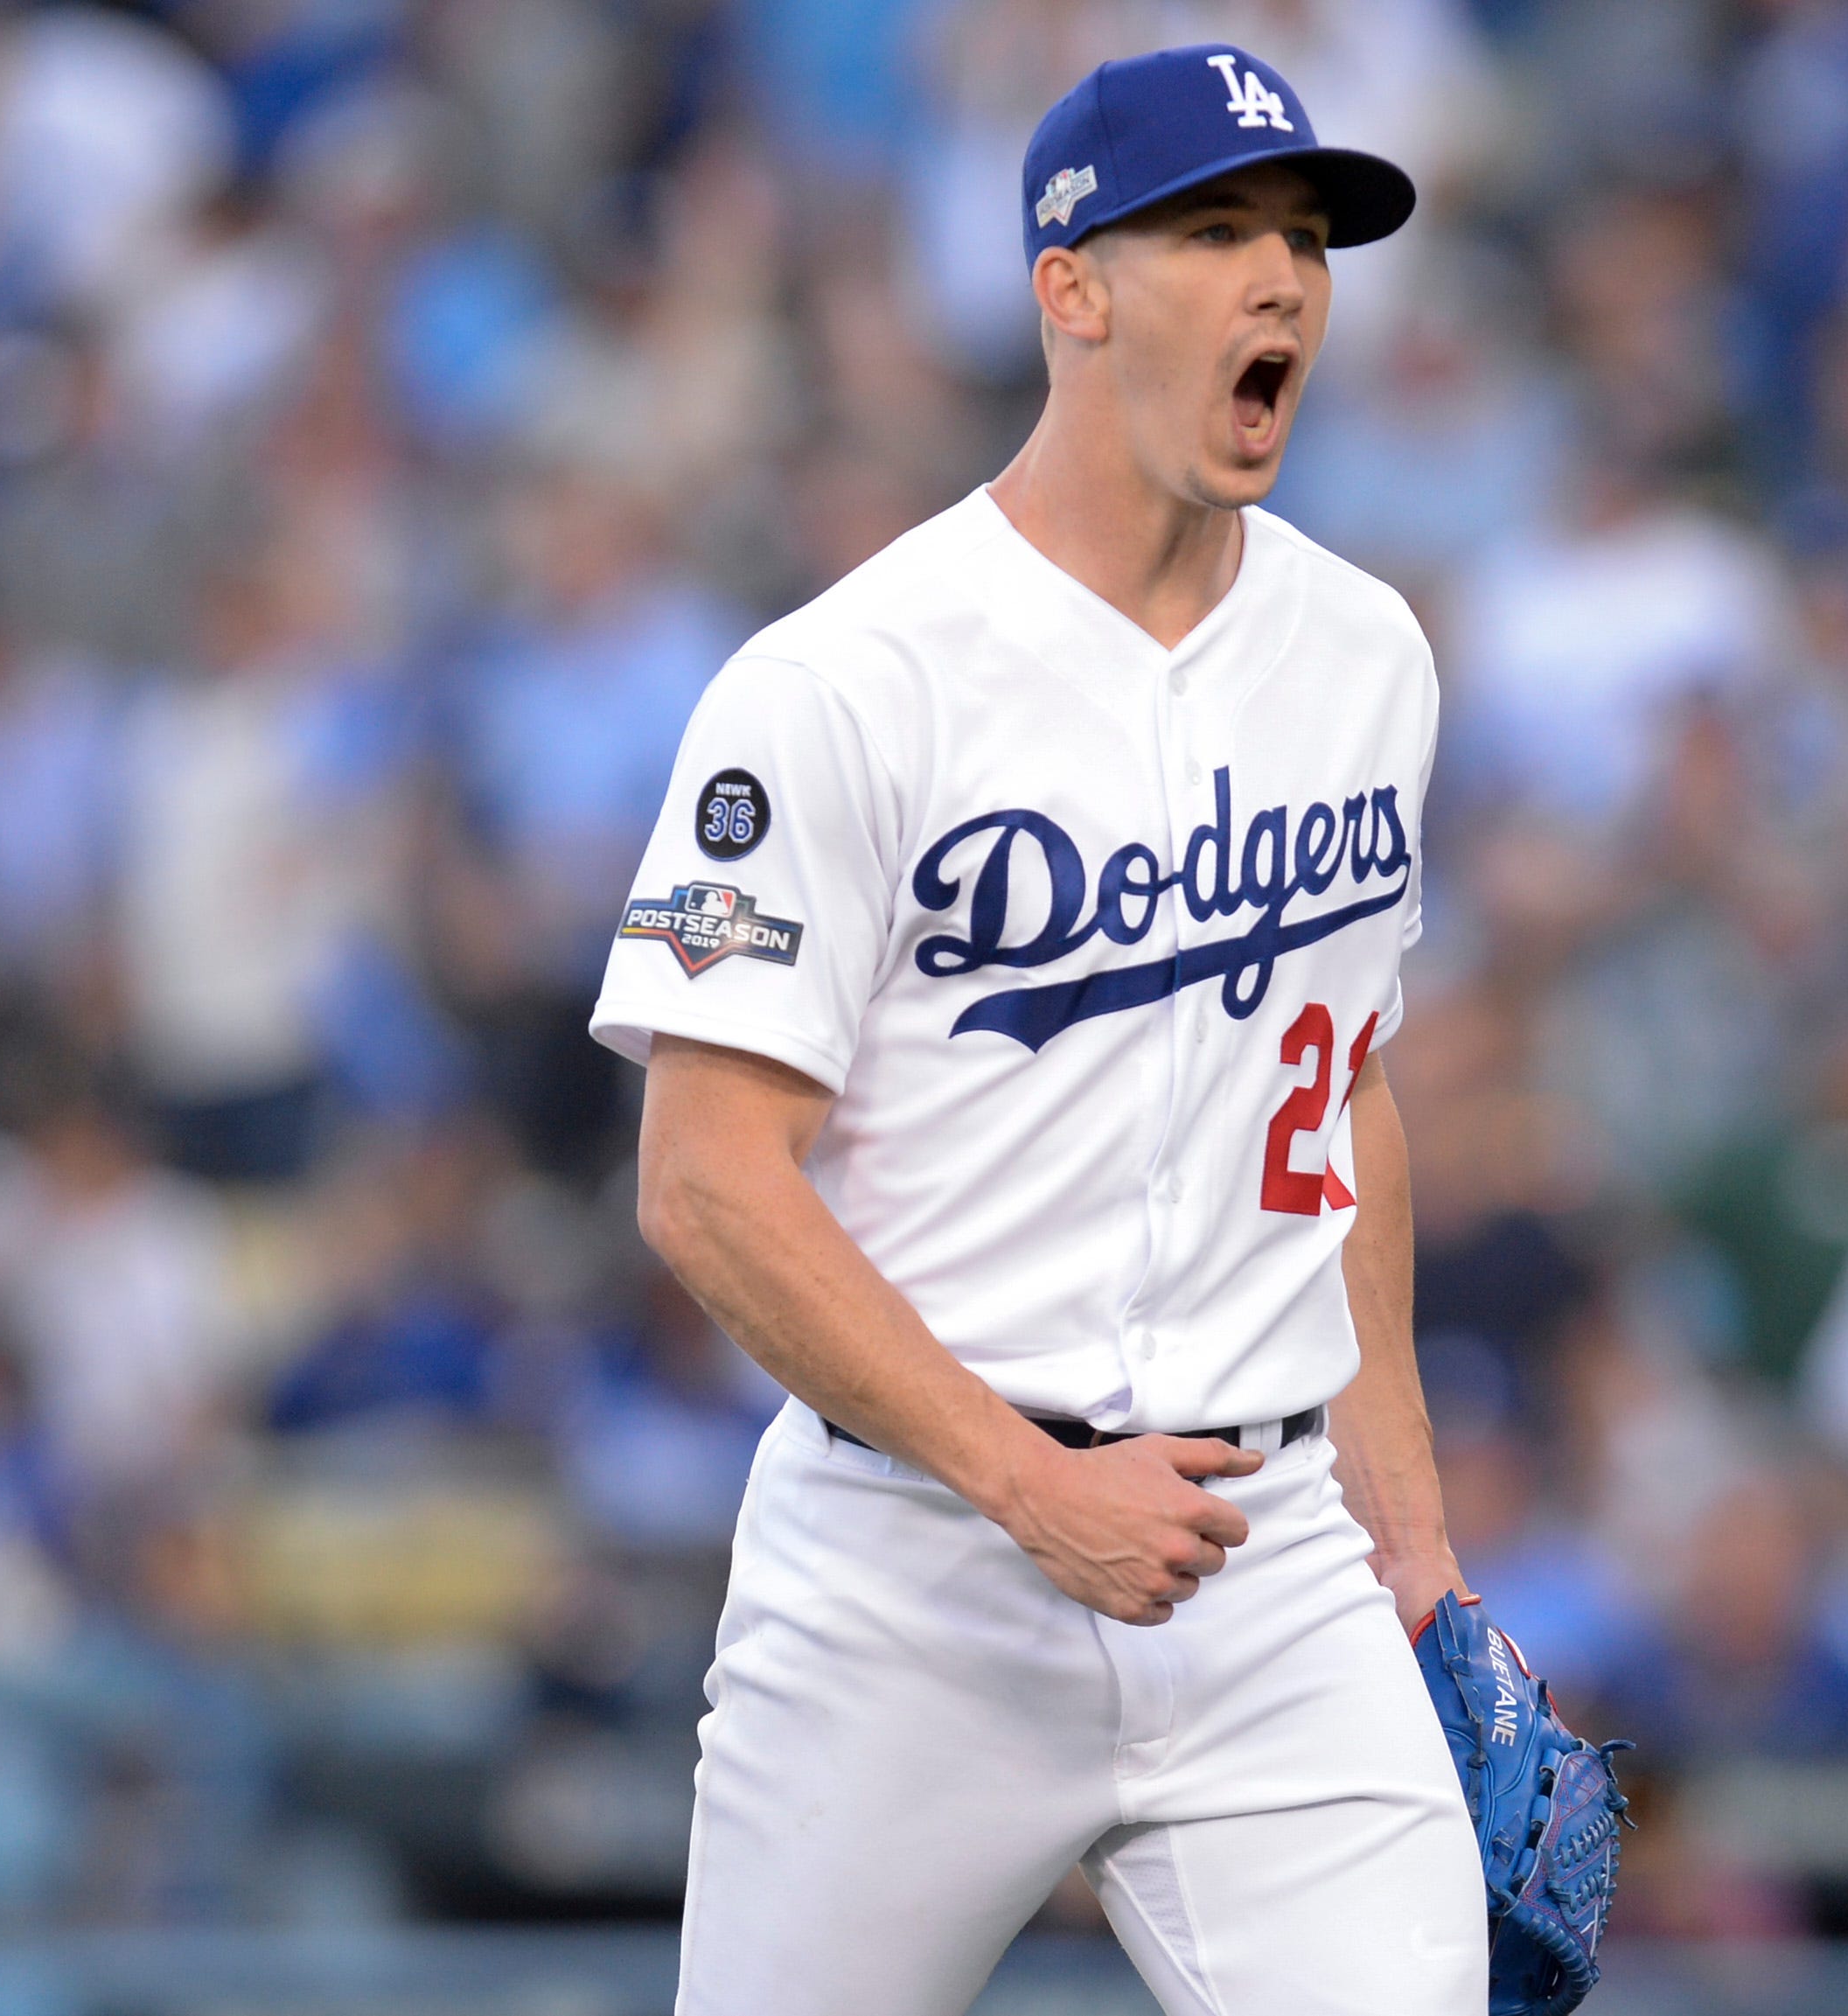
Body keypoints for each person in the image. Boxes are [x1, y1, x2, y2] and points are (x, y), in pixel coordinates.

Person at [590, 45, 1484, 2015]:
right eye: (1214, 232)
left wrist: (1405, 1530)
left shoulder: (1368, 656)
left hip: (1268, 1558)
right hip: (913, 1567)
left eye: (1305, 238)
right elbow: (707, 1182)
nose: (1282, 281)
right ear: (1068, 285)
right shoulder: (839, 680)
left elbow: (1343, 1089)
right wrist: (1022, 1479)